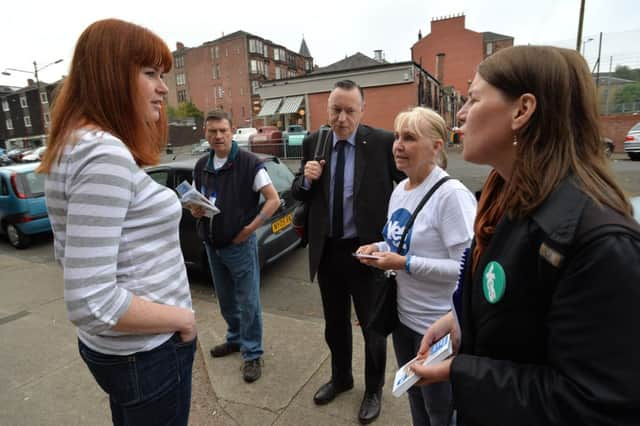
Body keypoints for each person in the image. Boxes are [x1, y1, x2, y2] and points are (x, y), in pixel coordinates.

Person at [411, 45, 640, 425]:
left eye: (472, 99)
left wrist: (460, 372)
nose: (461, 115)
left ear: (522, 110)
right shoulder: (505, 198)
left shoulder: (601, 243)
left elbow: (598, 403)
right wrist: (462, 321)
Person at [38, 19, 196, 425]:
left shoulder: (73, 143)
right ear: (111, 74)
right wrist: (182, 319)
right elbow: (91, 301)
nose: (163, 87)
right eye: (150, 74)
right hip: (148, 352)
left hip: (120, 352)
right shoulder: (103, 154)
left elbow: (73, 252)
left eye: (162, 75)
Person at [291, 79, 404, 424]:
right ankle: (341, 377)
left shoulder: (383, 142)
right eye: (335, 110)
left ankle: (372, 389)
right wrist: (307, 179)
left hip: (367, 253)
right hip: (328, 252)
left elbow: (407, 184)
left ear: (361, 111)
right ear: (327, 110)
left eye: (349, 111)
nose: (341, 118)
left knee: (373, 328)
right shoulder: (316, 141)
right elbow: (299, 193)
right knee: (335, 323)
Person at [356, 107, 476, 426]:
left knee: (440, 409)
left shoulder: (452, 196)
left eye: (409, 138)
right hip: (402, 318)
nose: (397, 145)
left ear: (436, 146)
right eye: (397, 136)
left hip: (437, 326)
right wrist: (376, 249)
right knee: (413, 393)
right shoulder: (401, 190)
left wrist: (403, 263)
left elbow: (467, 268)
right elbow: (396, 242)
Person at [190, 110, 280, 383]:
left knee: (248, 301)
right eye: (212, 131)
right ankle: (235, 338)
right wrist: (195, 211)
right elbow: (198, 201)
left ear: (232, 132)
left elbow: (273, 200)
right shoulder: (201, 165)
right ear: (205, 133)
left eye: (223, 131)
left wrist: (249, 230)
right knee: (227, 300)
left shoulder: (248, 163)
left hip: (239, 246)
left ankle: (252, 354)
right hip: (212, 245)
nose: (218, 136)